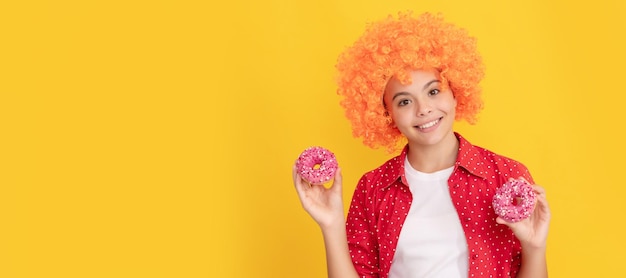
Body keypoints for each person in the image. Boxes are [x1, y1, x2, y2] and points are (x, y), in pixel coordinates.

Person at [292, 11, 550, 278]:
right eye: (405, 101)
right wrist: (331, 224)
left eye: (434, 91)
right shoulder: (373, 189)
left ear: (455, 92)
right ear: (386, 113)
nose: (424, 109)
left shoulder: (506, 177)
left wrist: (535, 248)